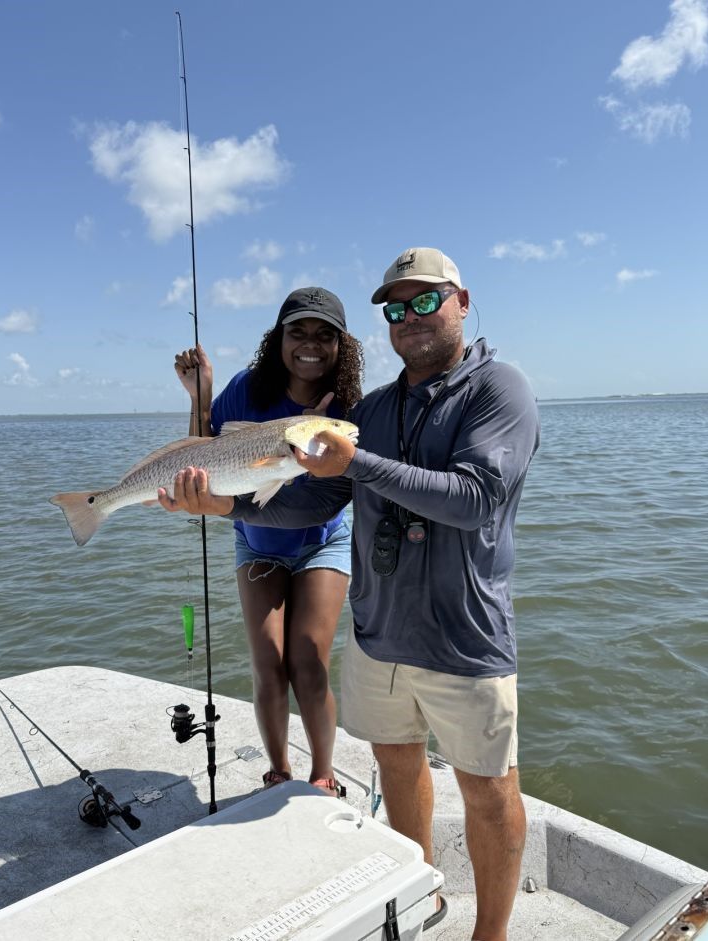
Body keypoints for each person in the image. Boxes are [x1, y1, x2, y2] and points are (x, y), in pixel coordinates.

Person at [162, 248, 539, 941]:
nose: (411, 317)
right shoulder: (382, 407)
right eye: (396, 307)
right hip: (379, 631)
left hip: (465, 636)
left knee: (487, 791)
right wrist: (224, 510)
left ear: (462, 300)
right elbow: (314, 504)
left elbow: (476, 499)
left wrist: (355, 457)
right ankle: (420, 888)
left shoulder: (500, 389)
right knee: (396, 766)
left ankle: (492, 934)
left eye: (426, 300)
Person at [173, 287, 365, 797]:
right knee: (268, 662)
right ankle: (278, 769)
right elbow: (201, 457)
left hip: (322, 542)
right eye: (297, 331)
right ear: (277, 338)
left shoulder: (349, 409)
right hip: (256, 543)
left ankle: (323, 771)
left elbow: (343, 491)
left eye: (326, 335)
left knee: (308, 658)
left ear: (342, 346)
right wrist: (201, 398)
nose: (310, 344)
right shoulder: (246, 390)